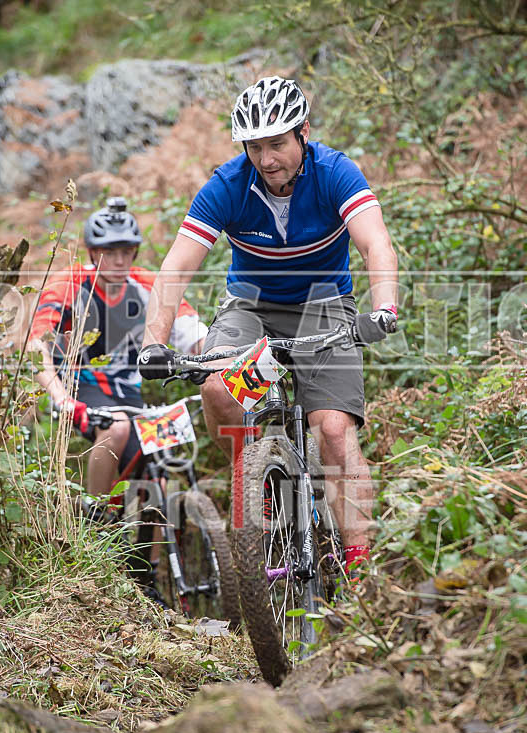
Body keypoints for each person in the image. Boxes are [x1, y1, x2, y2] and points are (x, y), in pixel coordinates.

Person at [137, 76, 398, 574]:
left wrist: (383, 306)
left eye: (277, 143)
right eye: (254, 146)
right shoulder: (228, 185)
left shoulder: (336, 172)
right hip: (251, 308)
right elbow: (174, 270)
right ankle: (257, 482)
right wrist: (154, 343)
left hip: (325, 307)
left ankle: (362, 572)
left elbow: (375, 243)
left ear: (302, 132)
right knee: (218, 392)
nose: (267, 158)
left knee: (335, 433)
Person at [30, 197, 207, 509]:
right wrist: (61, 398)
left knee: (158, 477)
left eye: (126, 251)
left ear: (135, 252)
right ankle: (96, 522)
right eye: (109, 252)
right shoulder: (68, 283)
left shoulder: (146, 283)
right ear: (93, 252)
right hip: (81, 389)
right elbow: (35, 347)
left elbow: (193, 333)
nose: (118, 260)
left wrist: (214, 361)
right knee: (117, 426)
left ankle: (149, 559)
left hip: (129, 392)